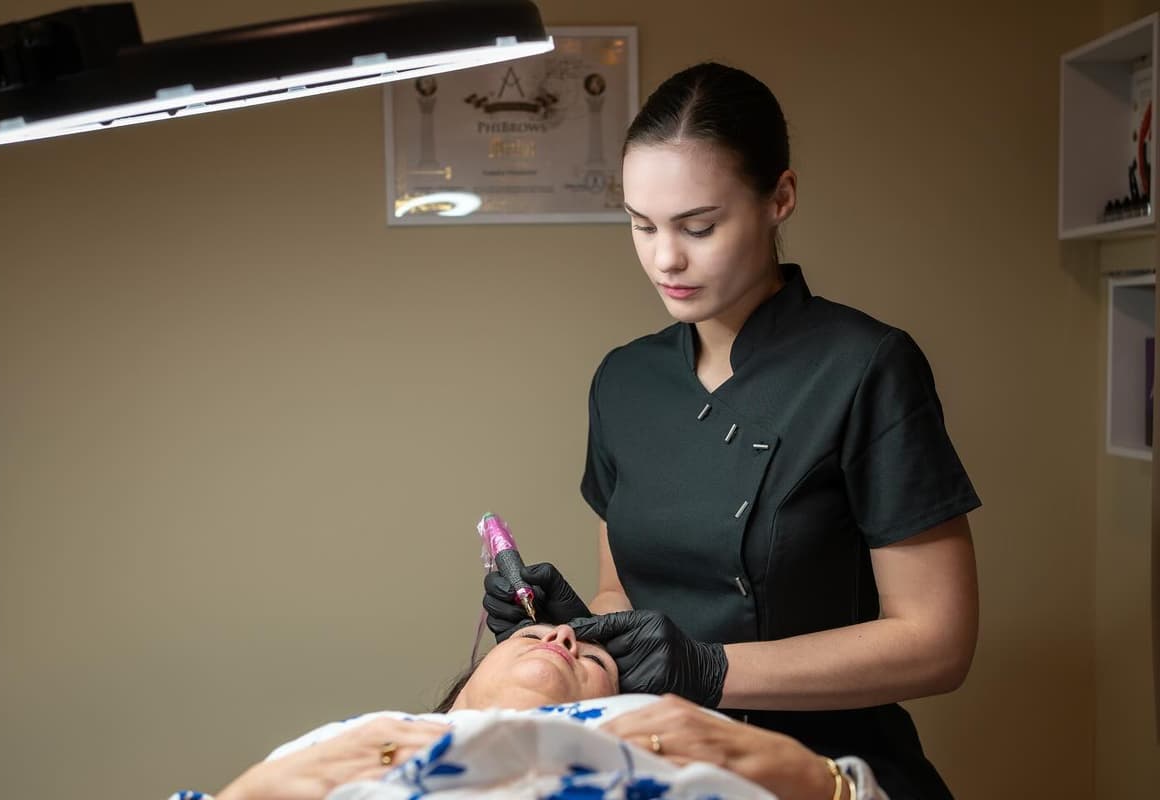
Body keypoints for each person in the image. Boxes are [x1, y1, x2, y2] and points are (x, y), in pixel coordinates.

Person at [482, 61, 980, 799]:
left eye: (699, 226)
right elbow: (626, 599)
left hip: (826, 771)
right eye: (641, 225)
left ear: (780, 198)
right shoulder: (625, 381)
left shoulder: (866, 367)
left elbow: (938, 643)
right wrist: (574, 633)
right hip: (660, 767)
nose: (664, 258)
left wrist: (712, 669)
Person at [170, 624, 887, 799]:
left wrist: (822, 782)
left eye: (594, 660)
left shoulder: (685, 732)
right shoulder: (355, 741)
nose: (562, 636)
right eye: (528, 636)